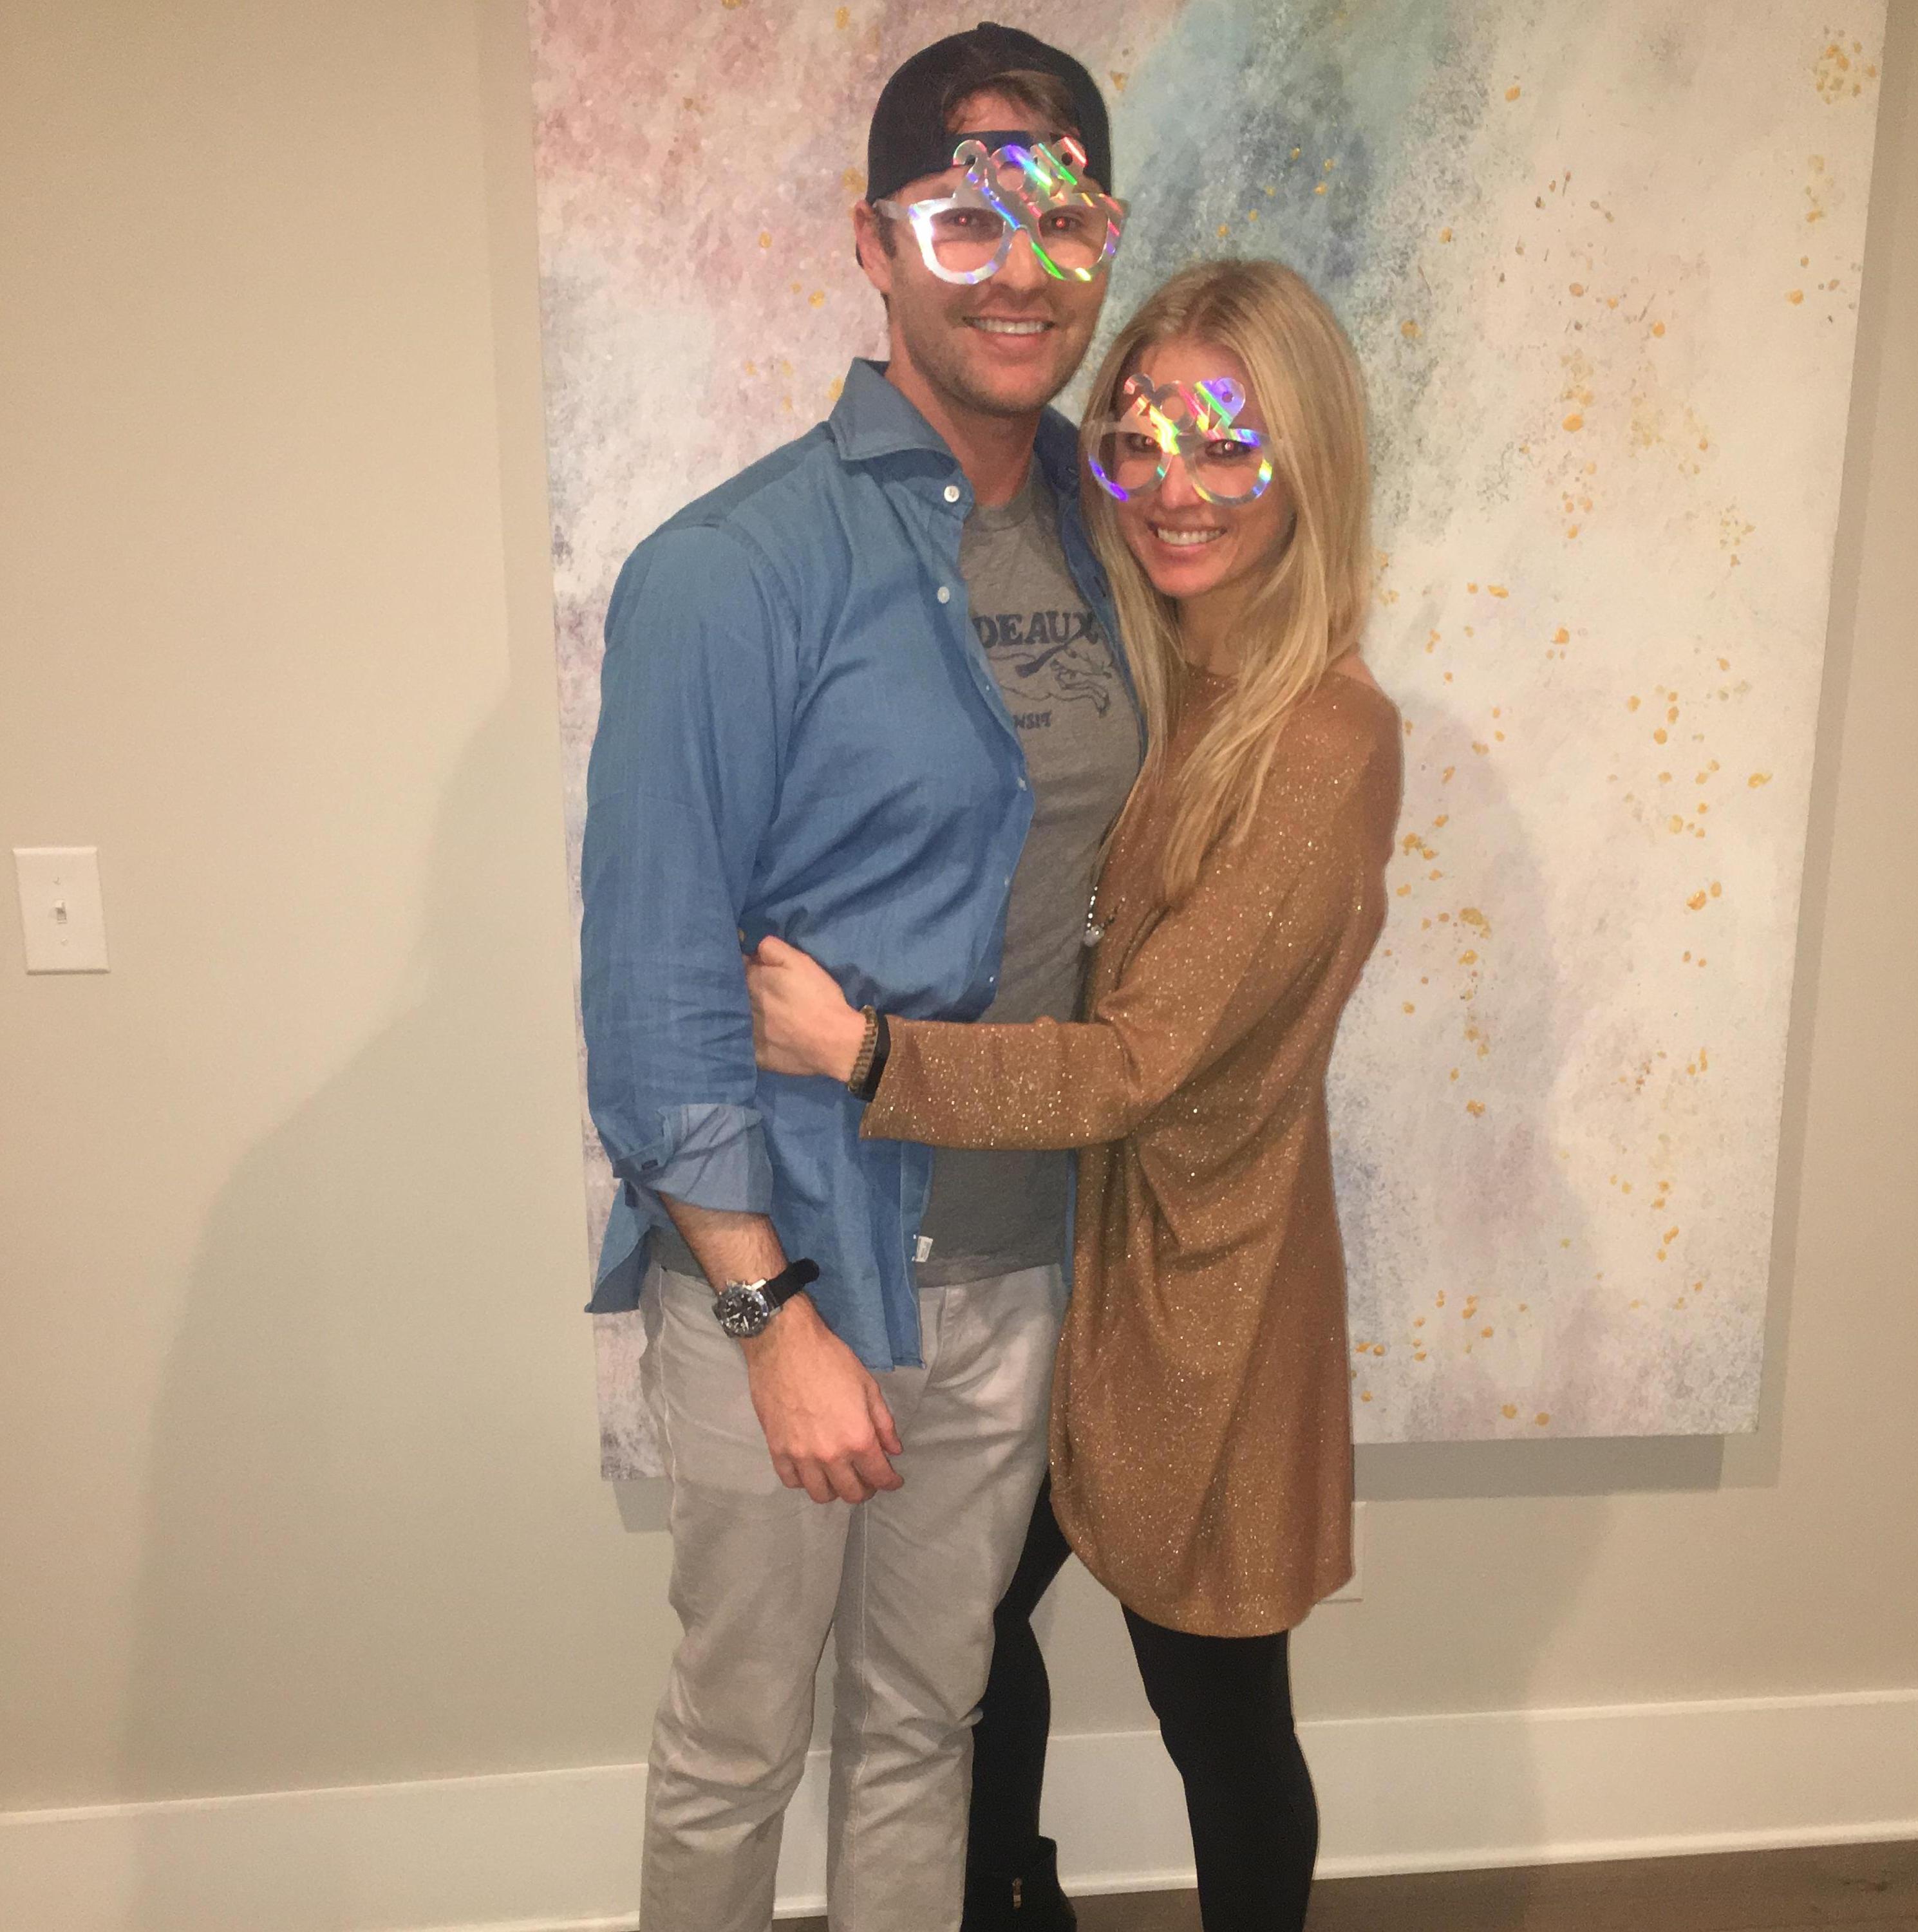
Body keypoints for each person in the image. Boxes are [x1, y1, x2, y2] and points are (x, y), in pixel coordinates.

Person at [747, 256, 1404, 1932]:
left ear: (1308, 464)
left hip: (1205, 1296)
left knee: (1218, 1716)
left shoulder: (1321, 740)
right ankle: (1011, 1897)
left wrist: (864, 1051)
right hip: (1072, 1259)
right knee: (964, 1633)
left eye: (1226, 441)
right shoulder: (1155, 678)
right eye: (1139, 435)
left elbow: (1136, 1061)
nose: (1174, 484)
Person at [578, 23, 1145, 1932]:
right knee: (740, 1738)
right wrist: (769, 1318)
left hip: (1014, 1258)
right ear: (875, 242)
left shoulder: (1123, 543)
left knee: (925, 1720)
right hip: (799, 1264)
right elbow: (656, 982)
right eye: (966, 219)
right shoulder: (731, 568)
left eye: (1062, 221)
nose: (1020, 270)